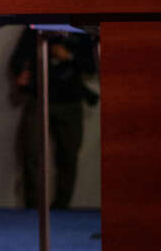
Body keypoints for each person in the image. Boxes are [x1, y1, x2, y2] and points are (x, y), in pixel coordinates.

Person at [9, 28, 98, 210]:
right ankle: (33, 208)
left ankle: (62, 208)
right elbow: (17, 59)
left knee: (68, 156)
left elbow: (91, 65)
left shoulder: (80, 28)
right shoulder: (35, 26)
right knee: (31, 153)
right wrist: (21, 73)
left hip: (70, 100)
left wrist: (69, 57)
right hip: (39, 97)